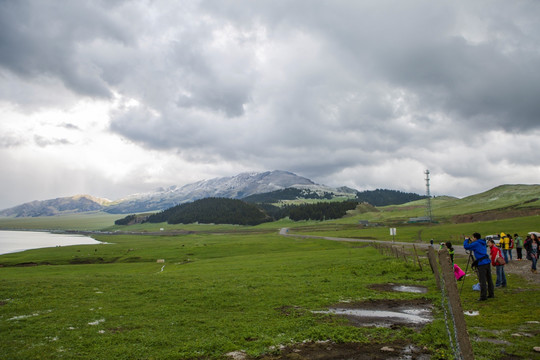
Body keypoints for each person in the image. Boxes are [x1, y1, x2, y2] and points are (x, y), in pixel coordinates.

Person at [464, 233, 494, 301]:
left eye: (473, 237)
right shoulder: (482, 242)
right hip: (487, 262)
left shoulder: (476, 243)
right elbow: (477, 246)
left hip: (481, 263)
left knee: (482, 280)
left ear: (475, 237)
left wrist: (466, 240)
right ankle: (491, 293)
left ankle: (483, 296)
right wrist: (472, 242)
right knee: (489, 278)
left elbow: (466, 246)